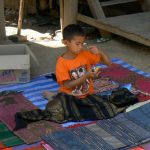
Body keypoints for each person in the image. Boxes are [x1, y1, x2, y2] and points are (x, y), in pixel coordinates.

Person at [44, 24, 112, 99]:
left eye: (82, 43)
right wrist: (86, 76)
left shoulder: (85, 54)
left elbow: (108, 63)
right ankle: (53, 96)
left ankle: (54, 95)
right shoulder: (61, 63)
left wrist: (100, 52)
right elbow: (67, 85)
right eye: (77, 44)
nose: (81, 47)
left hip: (88, 94)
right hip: (70, 97)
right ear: (65, 42)